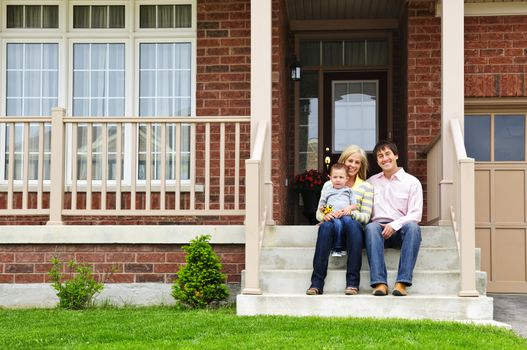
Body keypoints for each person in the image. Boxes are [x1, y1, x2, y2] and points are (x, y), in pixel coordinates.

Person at [306, 145, 374, 296]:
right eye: (350, 160)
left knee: (352, 223)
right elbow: (320, 211)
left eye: (357, 162)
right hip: (332, 228)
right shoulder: (329, 184)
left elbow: (366, 217)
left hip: (353, 233)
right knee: (325, 227)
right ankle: (316, 283)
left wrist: (350, 212)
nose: (353, 165)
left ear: (361, 165)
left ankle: (352, 283)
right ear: (344, 160)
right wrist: (326, 216)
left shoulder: (366, 187)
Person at [365, 140, 423, 297]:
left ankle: (402, 283)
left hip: (401, 231)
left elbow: (416, 214)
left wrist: (394, 225)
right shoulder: (370, 183)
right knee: (370, 227)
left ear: (396, 156)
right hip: (377, 232)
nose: (385, 158)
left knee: (413, 227)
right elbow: (362, 209)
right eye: (380, 156)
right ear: (377, 161)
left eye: (388, 154)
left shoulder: (412, 183)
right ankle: (379, 283)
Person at [316, 163, 356, 257]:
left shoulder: (349, 190)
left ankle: (348, 246)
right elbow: (322, 206)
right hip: (333, 216)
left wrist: (348, 208)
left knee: (349, 223)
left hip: (345, 214)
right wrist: (329, 213)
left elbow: (354, 205)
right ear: (330, 178)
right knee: (337, 224)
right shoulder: (328, 191)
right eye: (335, 177)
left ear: (347, 178)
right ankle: (337, 248)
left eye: (341, 177)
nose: (338, 180)